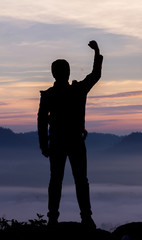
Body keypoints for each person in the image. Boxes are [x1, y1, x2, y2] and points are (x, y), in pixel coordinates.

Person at [37, 40, 103, 228]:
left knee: (56, 181)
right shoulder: (78, 90)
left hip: (57, 142)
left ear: (53, 73)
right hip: (74, 141)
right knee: (80, 180)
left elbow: (41, 122)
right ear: (67, 73)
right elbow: (96, 75)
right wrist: (97, 52)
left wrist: (43, 145)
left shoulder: (49, 95)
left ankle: (53, 219)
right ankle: (86, 218)